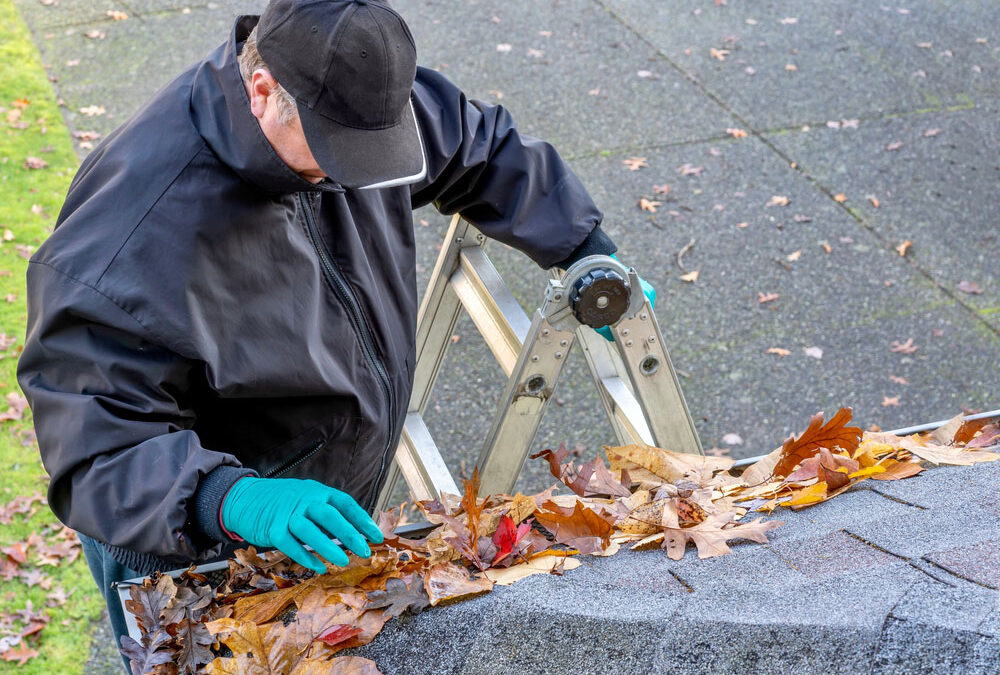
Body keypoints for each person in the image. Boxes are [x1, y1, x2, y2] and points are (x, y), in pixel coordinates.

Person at [17, 0, 649, 667]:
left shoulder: (351, 94)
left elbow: (477, 146)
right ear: (263, 91)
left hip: (310, 492)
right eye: (337, 154)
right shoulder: (132, 231)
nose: (356, 175)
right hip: (187, 532)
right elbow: (95, 442)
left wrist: (584, 250)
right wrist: (227, 498)